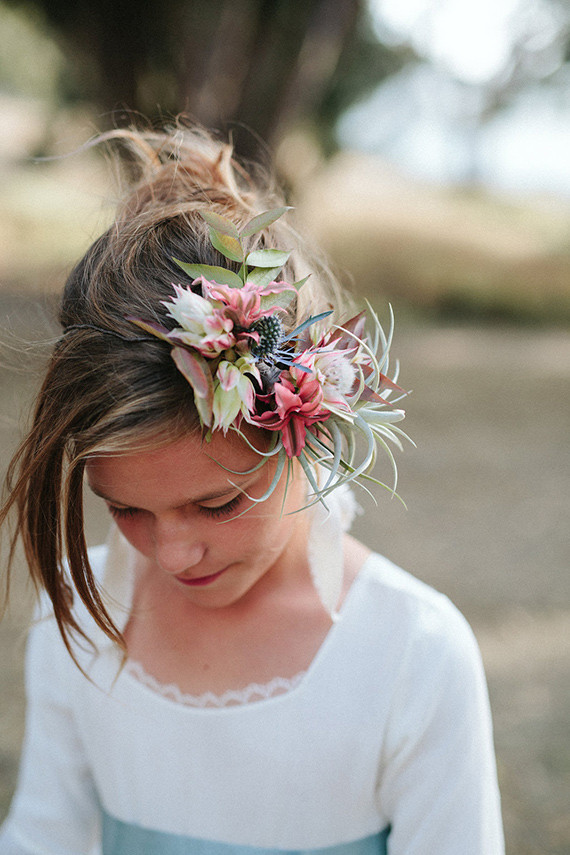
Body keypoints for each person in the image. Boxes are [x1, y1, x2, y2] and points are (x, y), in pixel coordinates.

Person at [0, 124, 504, 855]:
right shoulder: (75, 625)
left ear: (306, 427)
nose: (172, 551)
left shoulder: (413, 657)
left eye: (217, 503)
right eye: (126, 510)